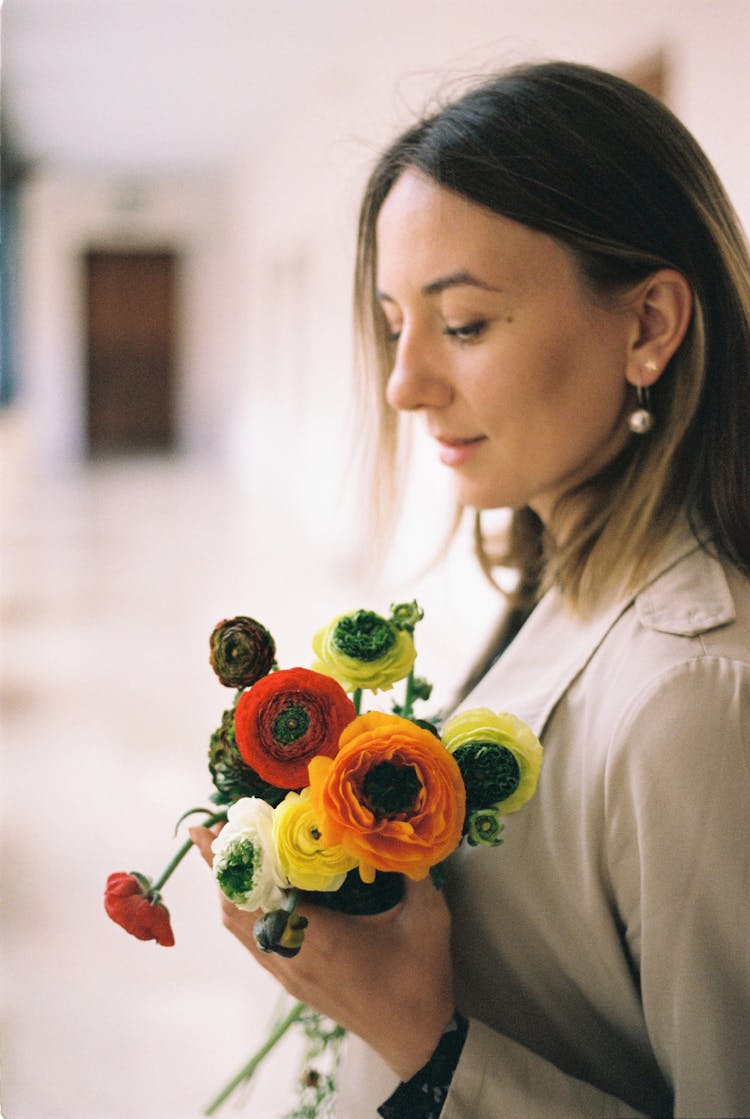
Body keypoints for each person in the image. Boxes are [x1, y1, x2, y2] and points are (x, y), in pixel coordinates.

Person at [192, 60, 750, 1118]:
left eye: (464, 325)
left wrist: (421, 1039)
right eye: (396, 322)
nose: (406, 385)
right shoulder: (565, 586)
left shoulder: (698, 696)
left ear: (647, 327)